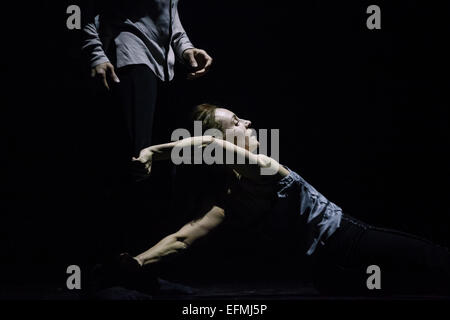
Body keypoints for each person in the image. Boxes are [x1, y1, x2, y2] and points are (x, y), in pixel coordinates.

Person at [129, 103, 450, 296]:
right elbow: (182, 238)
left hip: (329, 275)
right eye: (237, 122)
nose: (248, 122)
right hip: (353, 242)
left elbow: (182, 238)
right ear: (221, 140)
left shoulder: (233, 198)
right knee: (436, 261)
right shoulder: (255, 176)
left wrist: (136, 263)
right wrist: (132, 264)